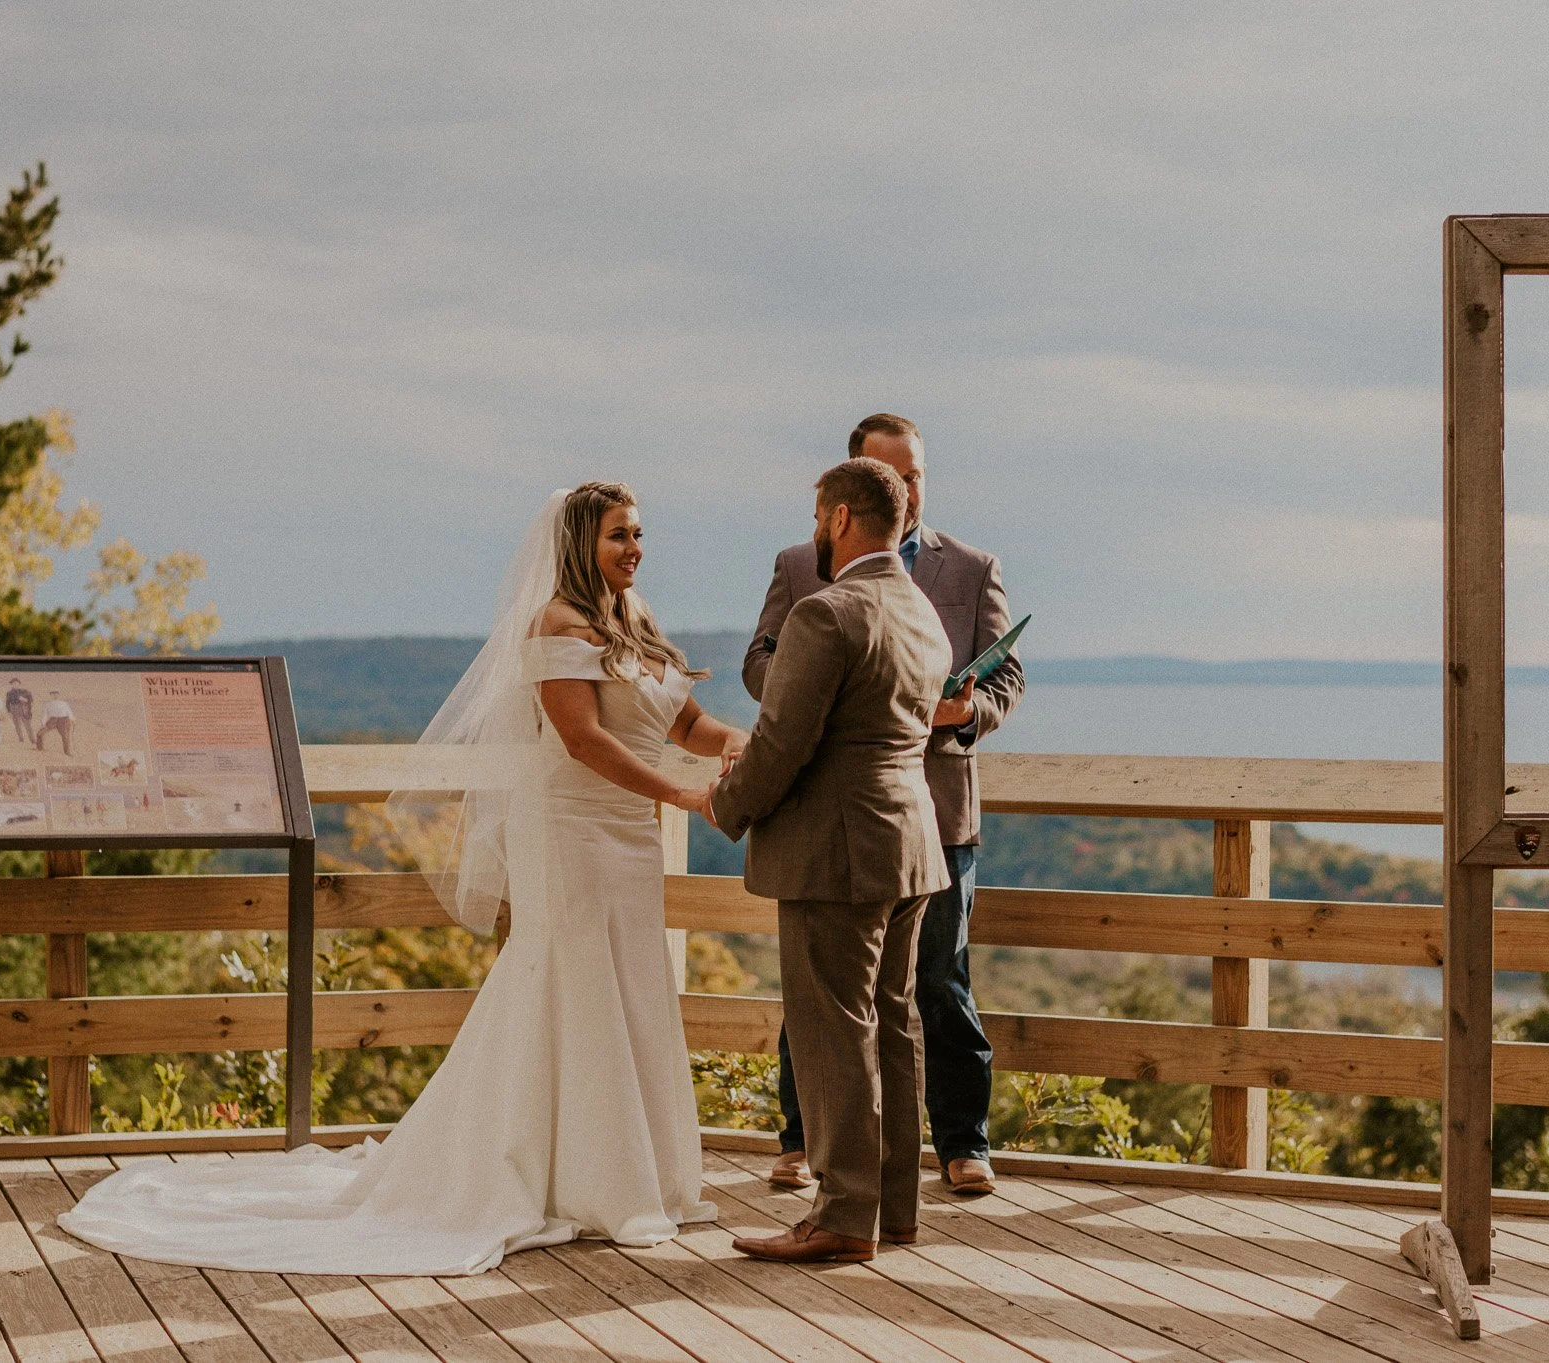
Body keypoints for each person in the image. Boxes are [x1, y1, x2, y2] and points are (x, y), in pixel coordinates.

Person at [58, 481, 740, 1276]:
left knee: (633, 985)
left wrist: (744, 746)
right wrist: (686, 795)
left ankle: (638, 1172)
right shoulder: (555, 624)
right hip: (577, 832)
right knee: (578, 983)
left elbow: (686, 724)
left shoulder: (638, 623)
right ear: (579, 543)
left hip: (628, 840)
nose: (635, 549)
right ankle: (590, 1179)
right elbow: (584, 740)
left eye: (638, 534)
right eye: (619, 535)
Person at [745, 413, 1023, 1198]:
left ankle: (961, 1141)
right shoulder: (803, 564)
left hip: (938, 807)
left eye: (918, 475)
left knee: (933, 982)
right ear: (857, 485)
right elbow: (762, 660)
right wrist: (819, 699)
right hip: (833, 806)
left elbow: (1006, 678)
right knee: (827, 990)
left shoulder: (970, 568)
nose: (909, 490)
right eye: (893, 476)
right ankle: (807, 1139)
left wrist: (964, 713)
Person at [708, 458, 950, 1263]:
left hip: (836, 851)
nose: (815, 529)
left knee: (834, 1029)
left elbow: (782, 742)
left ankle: (845, 1214)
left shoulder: (826, 613)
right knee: (893, 1024)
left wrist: (727, 805)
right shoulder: (921, 612)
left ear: (842, 518)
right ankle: (895, 1209)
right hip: (910, 845)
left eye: (818, 515)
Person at [4, 677, 36, 746]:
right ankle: (21, 739)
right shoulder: (9, 693)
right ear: (11, 685)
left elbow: (31, 700)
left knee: (28, 725)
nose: (15, 685)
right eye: (13, 684)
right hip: (14, 710)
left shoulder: (25, 691)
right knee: (17, 726)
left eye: (16, 683)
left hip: (24, 709)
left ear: (19, 684)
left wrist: (25, 700)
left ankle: (33, 740)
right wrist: (9, 712)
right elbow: (7, 703)